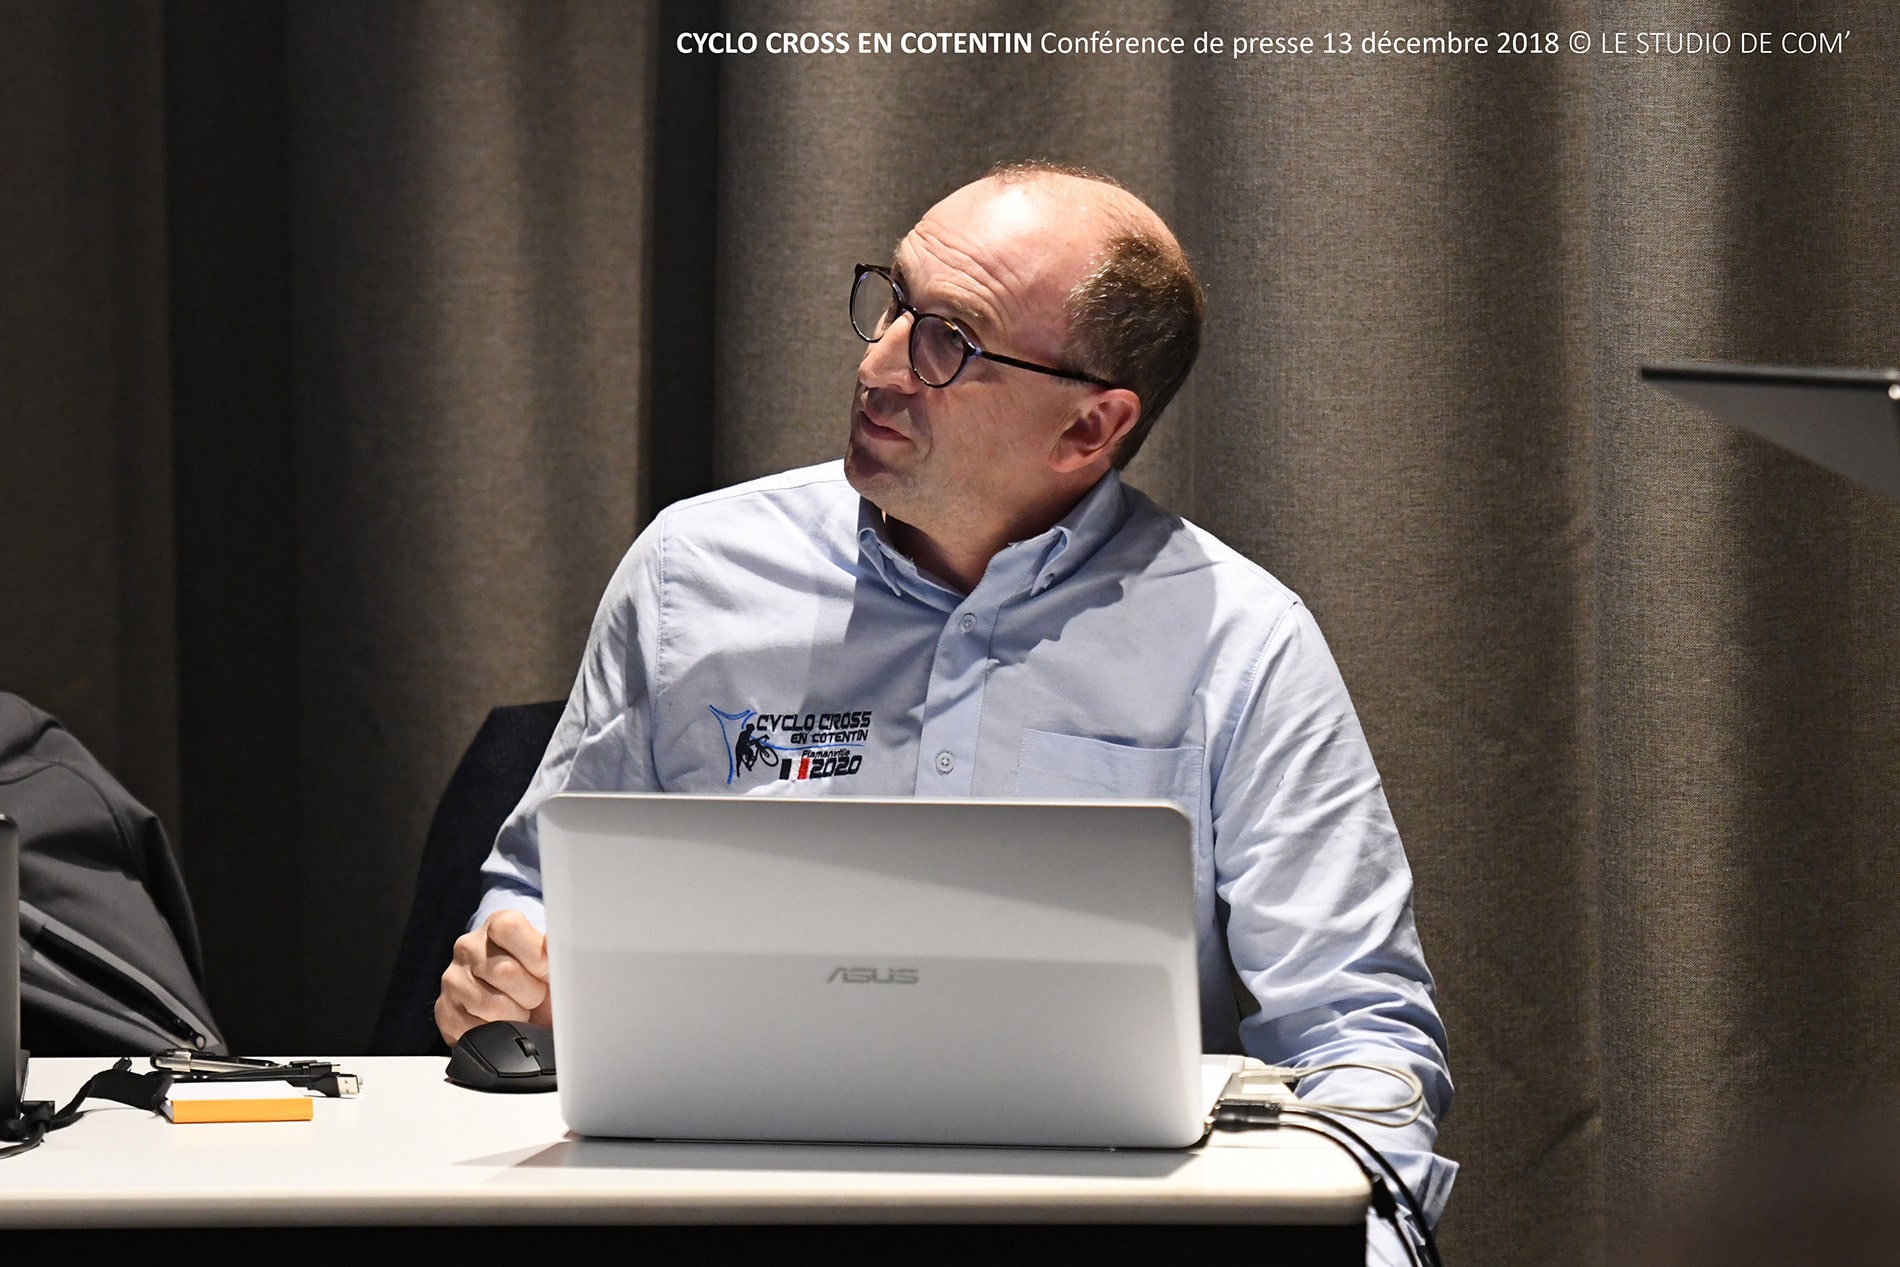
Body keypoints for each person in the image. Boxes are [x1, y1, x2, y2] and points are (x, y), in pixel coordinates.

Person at [436, 161, 1456, 1260]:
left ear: (1089, 428)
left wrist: (1360, 1240)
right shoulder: (693, 574)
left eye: (948, 343)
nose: (877, 364)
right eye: (894, 304)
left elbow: (1360, 1036)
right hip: (721, 1208)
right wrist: (516, 966)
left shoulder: (1238, 641)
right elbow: (538, 898)